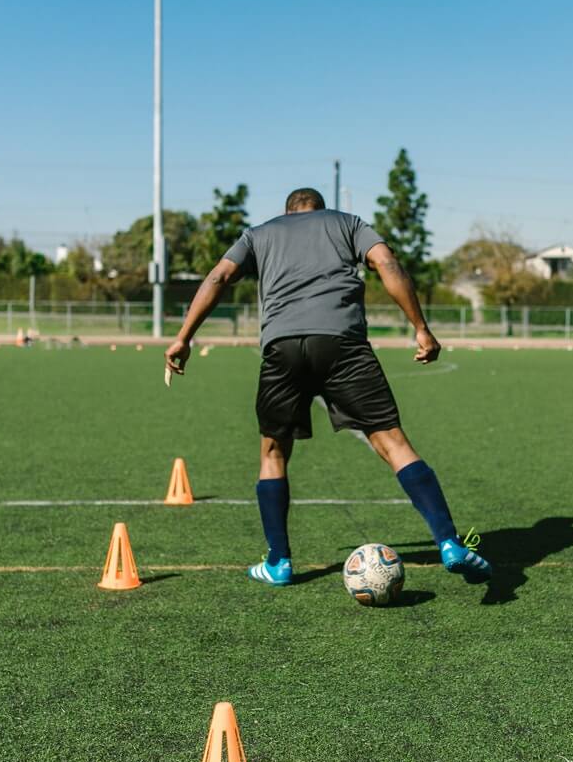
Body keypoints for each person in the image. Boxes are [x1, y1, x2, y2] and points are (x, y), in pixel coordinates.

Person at [164, 187, 491, 588]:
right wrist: (421, 328)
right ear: (320, 210)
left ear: (288, 213)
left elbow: (219, 275)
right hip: (343, 344)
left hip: (282, 346)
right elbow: (386, 262)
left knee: (273, 450)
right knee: (393, 442)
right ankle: (449, 544)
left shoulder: (260, 233)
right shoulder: (348, 223)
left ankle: (279, 562)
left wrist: (184, 336)